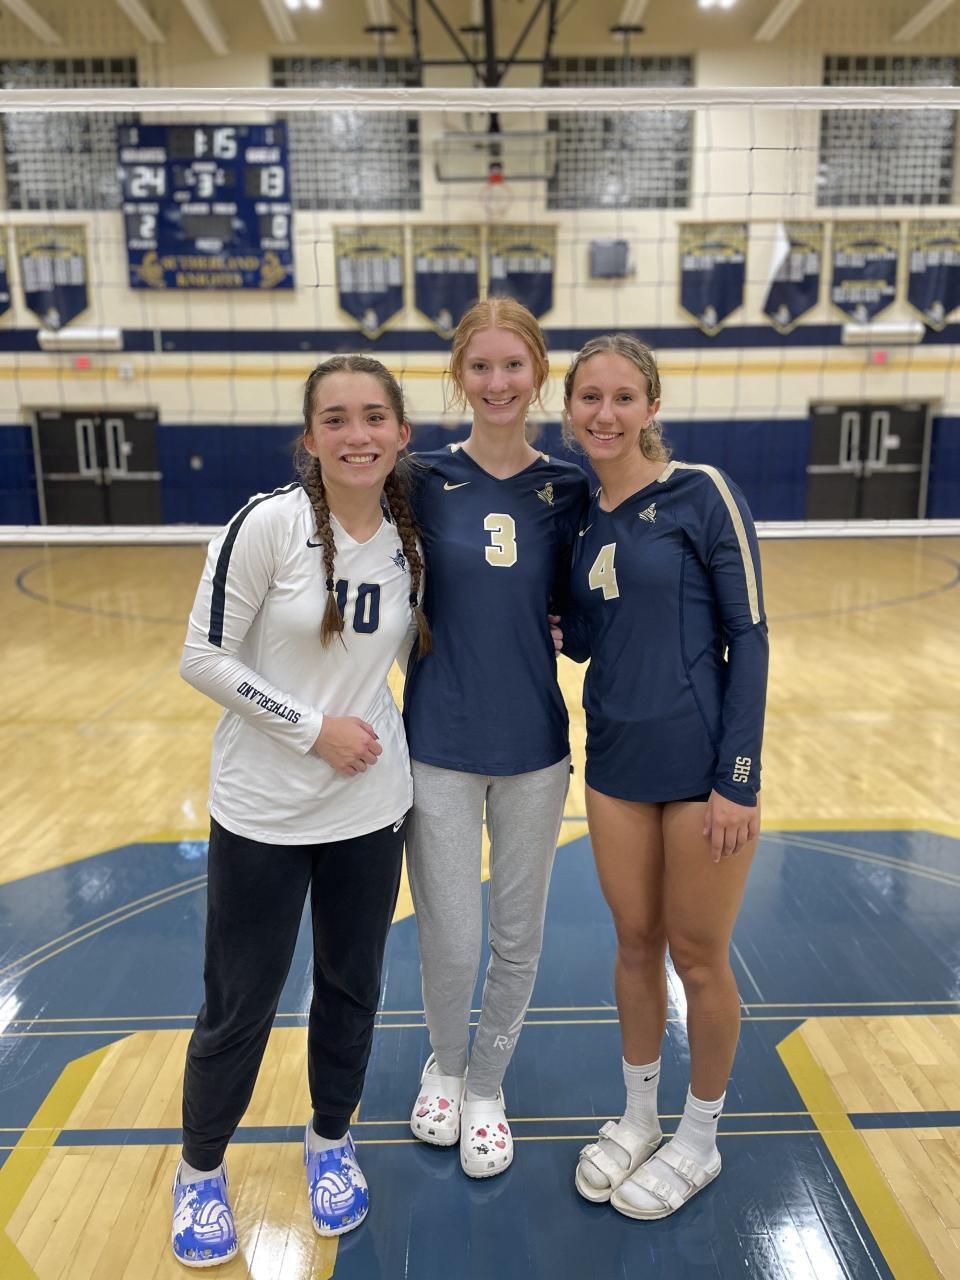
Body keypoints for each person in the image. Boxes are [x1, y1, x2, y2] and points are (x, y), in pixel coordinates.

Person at [171, 355, 430, 1265]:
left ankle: (330, 1139)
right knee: (239, 1004)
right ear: (310, 437)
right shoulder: (268, 527)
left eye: (373, 418)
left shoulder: (412, 533)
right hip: (264, 814)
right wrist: (311, 727)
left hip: (370, 809)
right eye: (335, 419)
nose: (356, 435)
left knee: (352, 989)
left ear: (401, 432)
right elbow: (202, 658)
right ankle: (200, 1170)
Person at [559, 334, 768, 1219]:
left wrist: (740, 778)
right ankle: (641, 1116)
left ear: (651, 407)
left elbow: (749, 636)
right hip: (613, 761)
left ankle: (700, 1138)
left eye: (621, 397)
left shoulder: (702, 492)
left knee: (698, 955)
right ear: (569, 410)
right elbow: (592, 633)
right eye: (588, 398)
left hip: (700, 770)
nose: (604, 414)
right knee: (635, 943)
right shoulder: (577, 514)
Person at [403, 297, 590, 1178]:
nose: (497, 382)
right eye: (480, 366)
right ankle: (443, 1064)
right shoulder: (420, 480)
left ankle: (487, 1084)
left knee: (518, 933)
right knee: (449, 929)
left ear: (539, 372)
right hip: (437, 739)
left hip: (534, 751)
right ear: (458, 376)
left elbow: (591, 610)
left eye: (513, 365)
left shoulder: (570, 488)